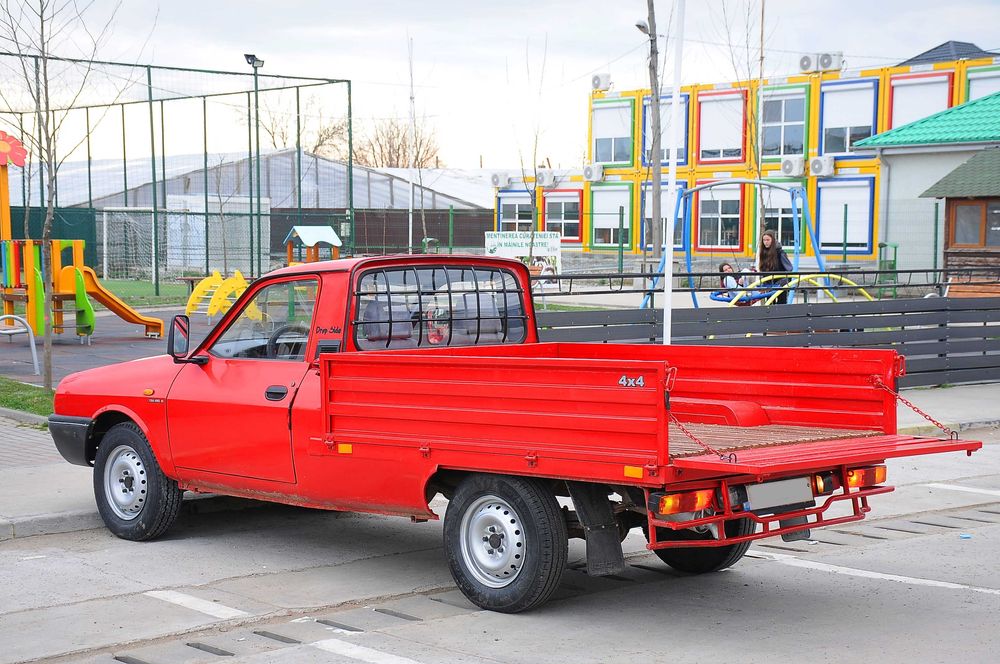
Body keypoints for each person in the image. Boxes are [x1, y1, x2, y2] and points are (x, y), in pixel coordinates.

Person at [757, 229, 793, 304]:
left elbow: (789, 268)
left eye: (768, 240)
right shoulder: (763, 253)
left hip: (780, 283)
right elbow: (763, 270)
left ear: (773, 240)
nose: (765, 242)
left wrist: (784, 281)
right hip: (769, 283)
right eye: (764, 240)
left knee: (781, 302)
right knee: (769, 303)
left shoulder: (780, 252)